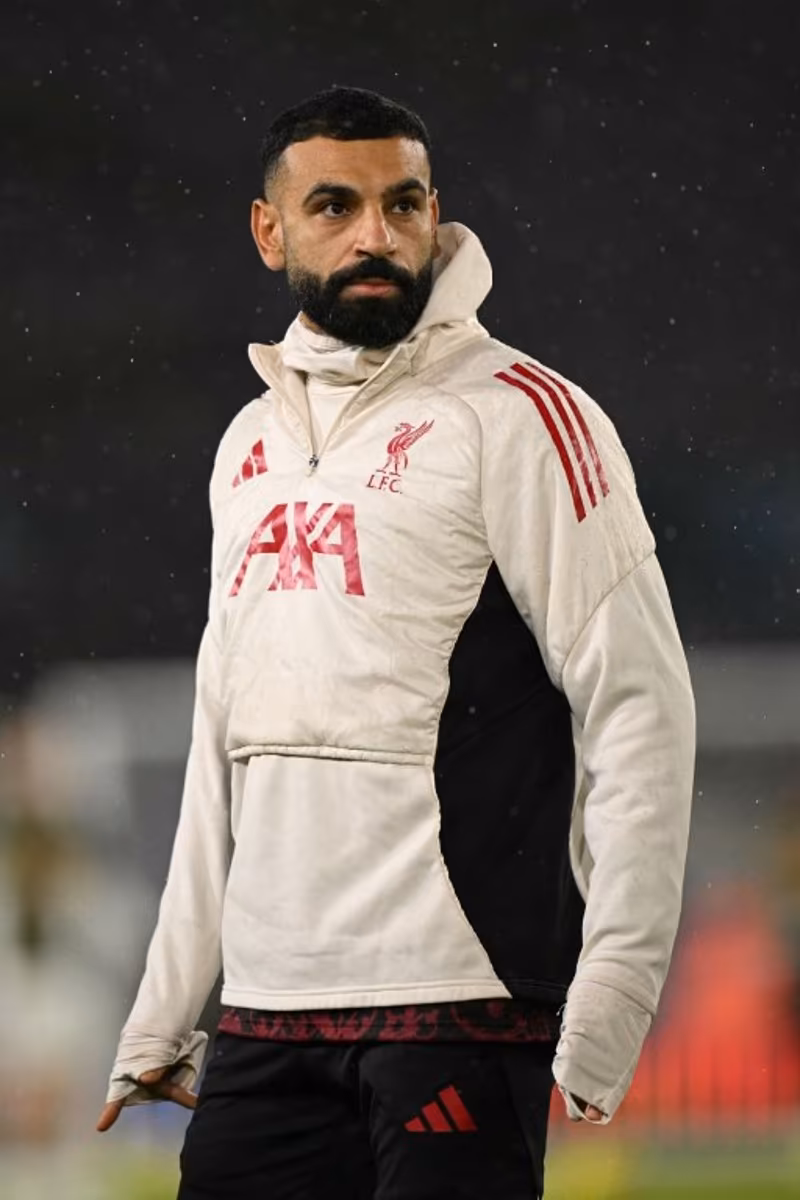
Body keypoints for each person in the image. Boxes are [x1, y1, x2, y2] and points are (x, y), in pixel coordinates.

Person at [97, 86, 696, 1199]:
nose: (375, 234)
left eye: (401, 203)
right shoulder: (247, 444)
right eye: (333, 206)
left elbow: (640, 707)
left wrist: (610, 993)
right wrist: (165, 1012)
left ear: (435, 214)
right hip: (265, 1021)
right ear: (269, 232)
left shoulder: (520, 415)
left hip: (456, 1006)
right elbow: (220, 734)